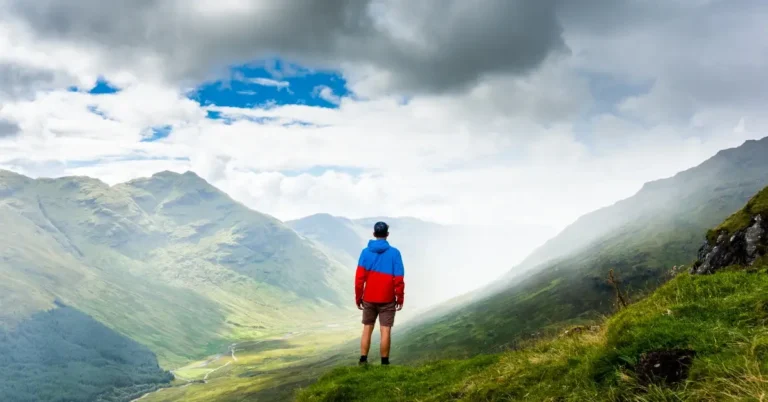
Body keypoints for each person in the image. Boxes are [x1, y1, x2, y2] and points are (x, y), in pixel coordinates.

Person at [355, 221, 405, 366]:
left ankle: (363, 360)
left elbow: (359, 279)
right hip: (387, 299)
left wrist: (359, 298)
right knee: (385, 331)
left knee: (367, 329)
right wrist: (399, 298)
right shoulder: (395, 253)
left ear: (374, 234)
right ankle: (384, 363)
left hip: (369, 298)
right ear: (387, 235)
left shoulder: (365, 252)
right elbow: (399, 279)